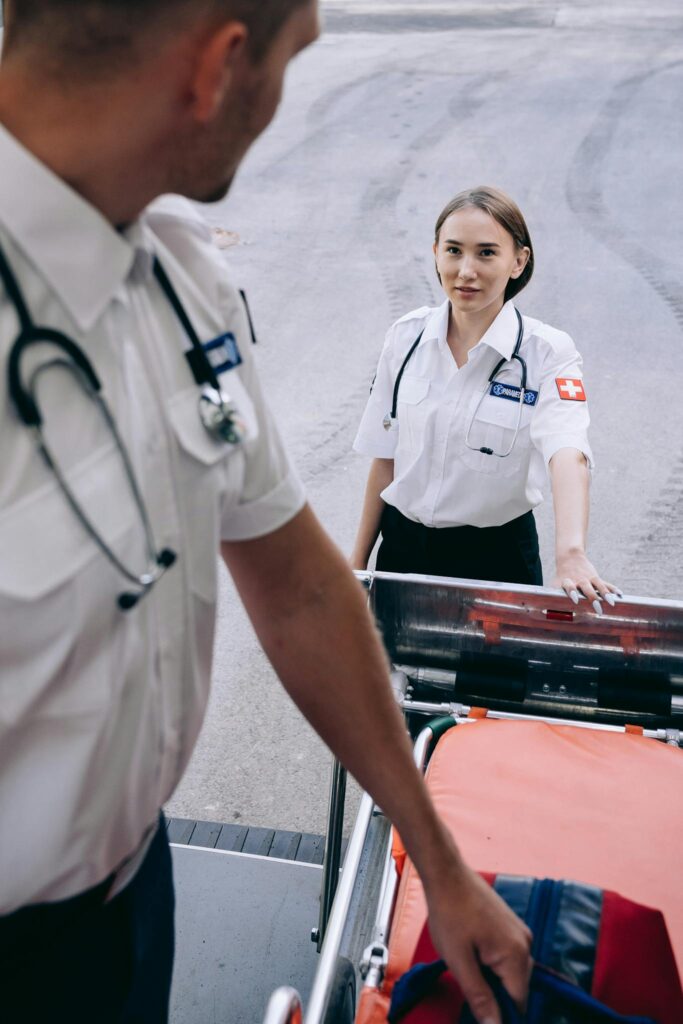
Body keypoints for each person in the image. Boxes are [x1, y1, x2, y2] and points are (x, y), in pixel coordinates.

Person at [0, 6, 531, 1024]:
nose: (282, 99)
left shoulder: (183, 277)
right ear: (217, 67)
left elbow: (292, 583)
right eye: (290, 59)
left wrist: (438, 857)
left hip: (129, 902)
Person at [351, 186, 620, 612]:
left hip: (497, 559)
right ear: (436, 252)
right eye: (454, 250)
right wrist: (357, 565)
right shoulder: (406, 337)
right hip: (402, 553)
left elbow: (568, 453)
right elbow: (385, 461)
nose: (466, 270)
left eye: (487, 253)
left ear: (519, 261)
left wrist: (570, 553)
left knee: (489, 682)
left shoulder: (546, 352)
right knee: (386, 678)